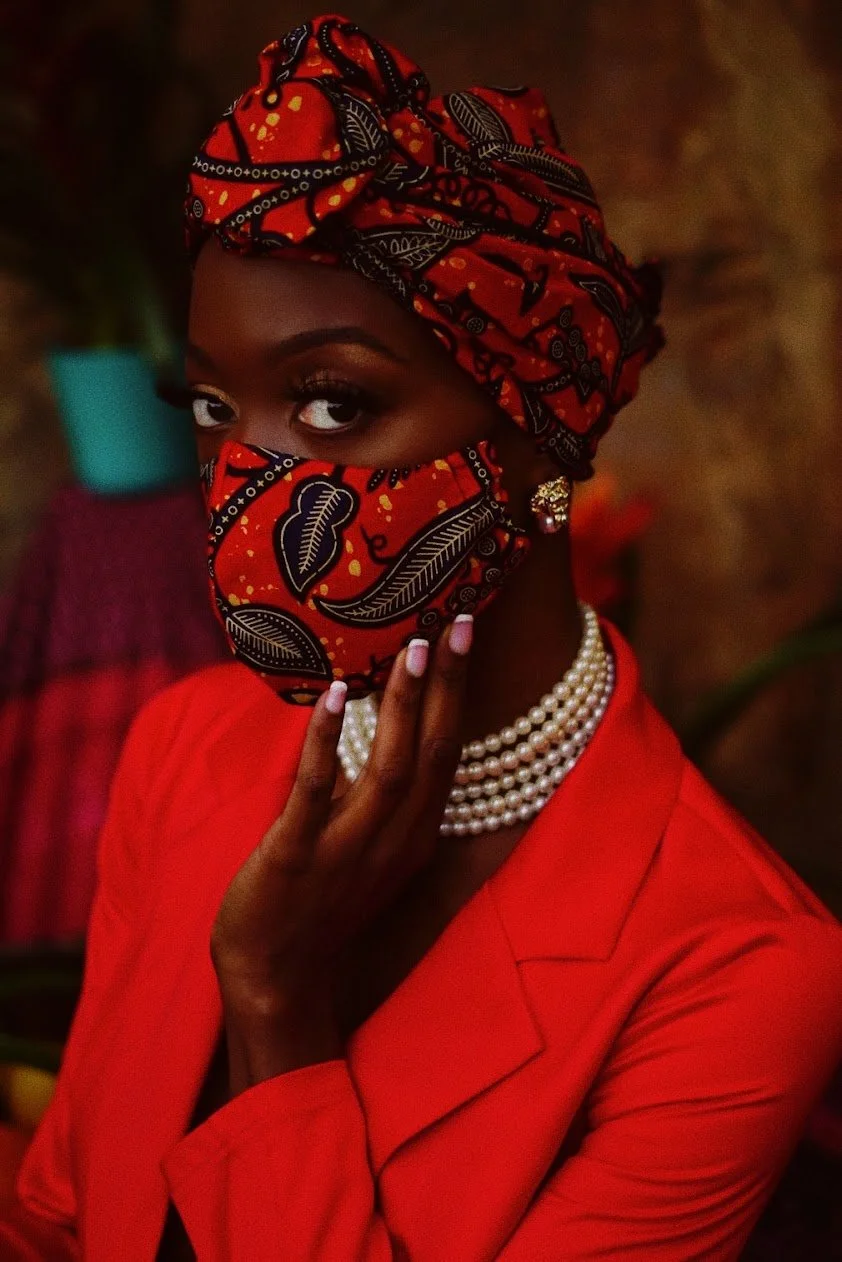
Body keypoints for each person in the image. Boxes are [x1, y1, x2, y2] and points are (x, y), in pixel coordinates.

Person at [3, 14, 842, 1260]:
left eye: (334, 402)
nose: (252, 481)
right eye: (218, 408)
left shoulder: (736, 970)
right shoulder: (185, 747)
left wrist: (277, 1003)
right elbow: (61, 1218)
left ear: (537, 440)